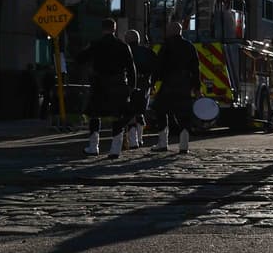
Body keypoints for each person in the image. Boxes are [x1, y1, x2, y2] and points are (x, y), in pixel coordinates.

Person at [76, 18, 137, 158]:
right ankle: (115, 149)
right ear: (114, 29)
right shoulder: (122, 45)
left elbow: (80, 59)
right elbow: (131, 67)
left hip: (99, 85)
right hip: (118, 84)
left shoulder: (95, 44)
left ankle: (93, 147)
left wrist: (86, 48)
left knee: (94, 115)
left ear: (102, 28)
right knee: (118, 115)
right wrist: (131, 86)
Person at [151, 21, 201, 154]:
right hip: (184, 85)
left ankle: (162, 143)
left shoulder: (166, 46)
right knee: (184, 114)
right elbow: (196, 69)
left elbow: (158, 66)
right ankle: (184, 145)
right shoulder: (189, 46)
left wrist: (153, 84)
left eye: (167, 30)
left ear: (171, 31)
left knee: (160, 110)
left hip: (168, 85)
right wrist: (197, 88)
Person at [124, 29, 157, 149]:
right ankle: (139, 138)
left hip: (128, 85)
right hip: (144, 84)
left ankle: (133, 140)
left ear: (127, 39)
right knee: (140, 111)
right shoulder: (147, 52)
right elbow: (156, 69)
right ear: (138, 39)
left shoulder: (124, 51)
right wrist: (152, 83)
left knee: (130, 111)